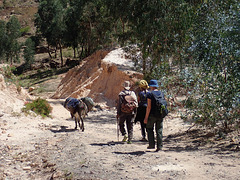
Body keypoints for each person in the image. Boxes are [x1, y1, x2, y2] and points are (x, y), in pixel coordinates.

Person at [144, 79, 164, 152]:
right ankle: (159, 146)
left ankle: (151, 144)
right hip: (160, 114)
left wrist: (146, 118)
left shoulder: (149, 94)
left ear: (151, 86)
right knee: (159, 130)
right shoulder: (161, 93)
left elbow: (148, 107)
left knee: (149, 128)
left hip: (152, 115)